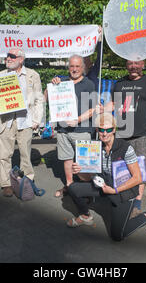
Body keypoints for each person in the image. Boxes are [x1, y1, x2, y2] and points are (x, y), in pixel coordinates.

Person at [66, 113, 146, 241]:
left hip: (122, 191)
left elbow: (138, 178)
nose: (105, 133)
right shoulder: (94, 147)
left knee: (117, 236)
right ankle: (85, 216)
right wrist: (78, 171)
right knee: (72, 187)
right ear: (97, 130)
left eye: (108, 129)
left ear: (114, 129)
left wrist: (115, 190)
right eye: (101, 130)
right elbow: (87, 178)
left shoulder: (125, 148)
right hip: (104, 186)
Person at [102, 59, 146, 217]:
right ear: (126, 65)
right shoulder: (120, 83)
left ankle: (137, 201)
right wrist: (102, 109)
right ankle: (124, 195)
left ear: (143, 64)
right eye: (130, 64)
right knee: (123, 167)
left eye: (137, 63)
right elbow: (114, 104)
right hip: (121, 133)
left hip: (142, 133)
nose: (133, 66)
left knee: (140, 167)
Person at [0, 48, 44, 197]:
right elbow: (0, 102)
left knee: (25, 154)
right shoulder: (2, 75)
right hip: (7, 121)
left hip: (25, 121)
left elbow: (39, 99)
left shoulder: (33, 75)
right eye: (7, 55)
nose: (8, 58)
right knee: (5, 155)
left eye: (12, 56)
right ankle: (6, 184)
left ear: (21, 59)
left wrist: (37, 120)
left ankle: (27, 181)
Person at [50, 55, 96, 198]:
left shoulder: (89, 84)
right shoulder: (61, 82)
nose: (74, 69)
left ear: (83, 68)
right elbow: (47, 97)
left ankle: (87, 191)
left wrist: (78, 120)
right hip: (63, 129)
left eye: (77, 66)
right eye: (72, 66)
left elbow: (93, 108)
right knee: (67, 158)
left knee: (85, 162)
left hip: (82, 130)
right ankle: (69, 186)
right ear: (68, 67)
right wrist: (52, 85)